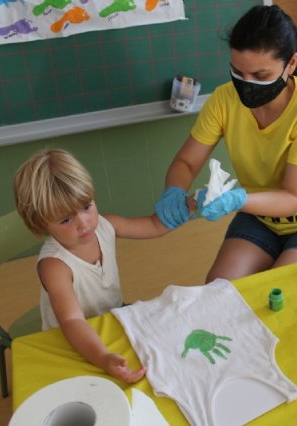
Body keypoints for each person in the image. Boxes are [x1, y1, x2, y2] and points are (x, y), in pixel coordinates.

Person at [154, 5, 297, 282]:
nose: (246, 84)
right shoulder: (223, 100)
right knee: (219, 290)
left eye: (260, 76)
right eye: (237, 72)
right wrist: (174, 190)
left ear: (291, 64)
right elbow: (187, 162)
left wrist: (236, 199)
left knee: (277, 291)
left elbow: (292, 198)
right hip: (260, 217)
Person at [13, 148, 184, 383]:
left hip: (110, 317)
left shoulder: (105, 224)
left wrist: (188, 207)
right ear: (40, 224)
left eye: (86, 206)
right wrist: (103, 357)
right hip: (73, 339)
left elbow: (154, 226)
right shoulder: (55, 265)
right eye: (66, 220)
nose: (84, 223)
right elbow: (72, 322)